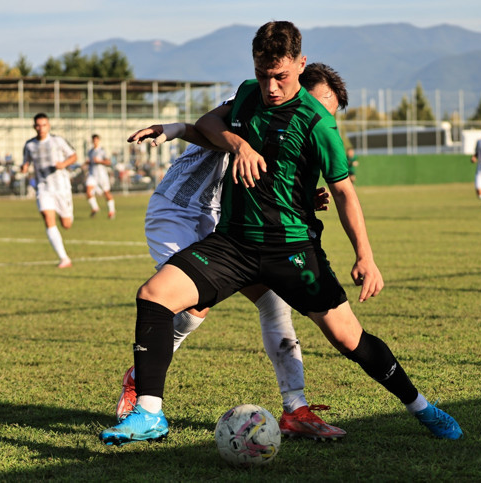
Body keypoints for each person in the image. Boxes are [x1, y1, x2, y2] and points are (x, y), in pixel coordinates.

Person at [99, 20, 462, 446]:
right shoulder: (249, 95)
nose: (270, 87)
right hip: (233, 243)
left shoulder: (317, 122)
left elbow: (345, 192)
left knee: (349, 338)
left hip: (292, 251)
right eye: (263, 75)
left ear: (300, 64)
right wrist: (233, 142)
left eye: (281, 77)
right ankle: (150, 414)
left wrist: (365, 255)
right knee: (154, 295)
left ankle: (422, 407)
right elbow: (207, 125)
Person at [112, 62, 350, 441]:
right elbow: (206, 127)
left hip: (232, 220)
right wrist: (173, 129)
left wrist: (304, 197)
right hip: (179, 211)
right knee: (193, 307)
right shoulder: (251, 101)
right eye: (320, 105)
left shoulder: (301, 123)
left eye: (328, 113)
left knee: (275, 304)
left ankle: (296, 410)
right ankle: (142, 384)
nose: (321, 117)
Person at [20, 113, 77, 268]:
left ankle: (66, 215)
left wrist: (63, 164)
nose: (41, 128)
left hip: (61, 187)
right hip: (43, 187)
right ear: (34, 127)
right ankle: (64, 258)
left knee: (66, 224)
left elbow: (73, 156)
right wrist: (24, 167)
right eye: (38, 125)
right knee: (47, 216)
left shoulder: (57, 141)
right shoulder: (29, 145)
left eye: (44, 125)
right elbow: (25, 162)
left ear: (48, 126)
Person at [85, 134, 116, 219]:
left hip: (102, 175)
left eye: (96, 140)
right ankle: (95, 208)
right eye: (93, 140)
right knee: (88, 191)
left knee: (106, 193)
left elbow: (108, 162)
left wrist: (100, 161)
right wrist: (87, 163)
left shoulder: (102, 151)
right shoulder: (90, 151)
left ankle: (112, 211)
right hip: (92, 175)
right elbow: (91, 162)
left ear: (99, 141)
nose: (95, 142)